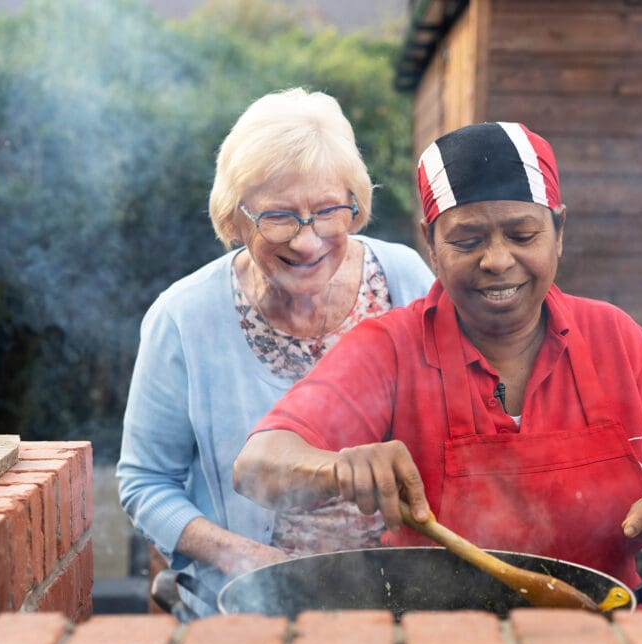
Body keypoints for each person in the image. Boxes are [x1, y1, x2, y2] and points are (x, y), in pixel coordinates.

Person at [233, 121, 642, 589]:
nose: (498, 261)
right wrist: (337, 469)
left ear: (559, 231)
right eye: (468, 240)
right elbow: (256, 466)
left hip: (604, 635)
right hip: (439, 642)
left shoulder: (618, 341)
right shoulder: (392, 349)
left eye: (523, 236)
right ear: (432, 247)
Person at [116, 88, 435, 602]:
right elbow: (145, 484)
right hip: (248, 604)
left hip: (399, 593)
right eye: (279, 216)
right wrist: (242, 556)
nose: (307, 242)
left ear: (355, 206)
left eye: (328, 210)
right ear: (235, 217)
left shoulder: (404, 280)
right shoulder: (184, 318)